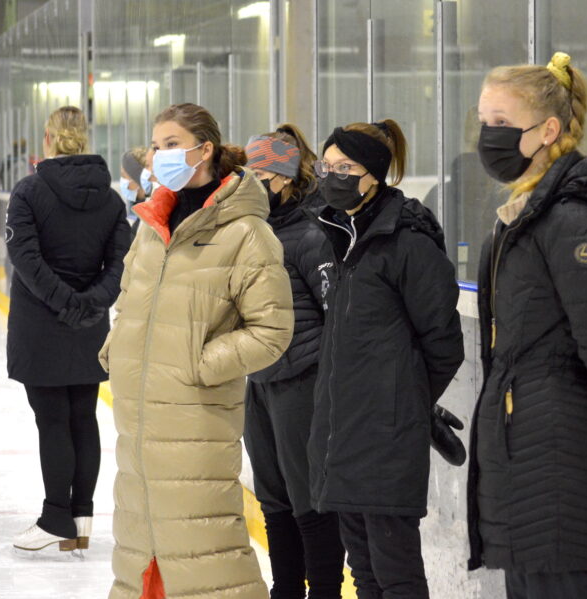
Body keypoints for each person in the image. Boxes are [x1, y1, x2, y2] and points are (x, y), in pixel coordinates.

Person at [466, 52, 587, 599]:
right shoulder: (530, 212)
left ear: (548, 129)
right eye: (484, 121)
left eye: (501, 122)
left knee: (558, 575)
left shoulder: (568, 219)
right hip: (530, 432)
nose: (488, 135)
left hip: (557, 437)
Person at [99, 102, 293, 599]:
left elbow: (271, 330)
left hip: (197, 418)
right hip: (140, 417)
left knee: (203, 546)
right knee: (143, 544)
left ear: (203, 149)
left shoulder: (246, 233)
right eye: (155, 146)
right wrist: (118, 347)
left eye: (170, 145)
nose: (158, 155)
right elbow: (130, 298)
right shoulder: (151, 223)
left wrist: (198, 363)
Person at [306, 118, 465, 599]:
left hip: (385, 435)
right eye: (326, 165)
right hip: (343, 431)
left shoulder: (407, 243)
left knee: (395, 574)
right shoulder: (345, 237)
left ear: (374, 173)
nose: (332, 175)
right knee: (366, 574)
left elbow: (444, 343)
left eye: (345, 166)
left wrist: (405, 403)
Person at [6, 106, 131, 552]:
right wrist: (90, 303)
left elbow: (26, 259)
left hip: (42, 325)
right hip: (88, 325)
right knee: (83, 418)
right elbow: (120, 263)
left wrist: (65, 303)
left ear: (48, 138)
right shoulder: (112, 199)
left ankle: (56, 516)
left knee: (53, 420)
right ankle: (81, 518)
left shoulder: (28, 191)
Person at [242, 124, 345, 598]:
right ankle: (285, 588)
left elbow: (336, 316)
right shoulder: (251, 232)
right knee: (272, 495)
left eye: (259, 171)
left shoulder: (309, 234)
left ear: (282, 178)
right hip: (259, 380)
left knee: (308, 498)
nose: (250, 179)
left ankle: (323, 588)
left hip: (301, 380)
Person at [118, 147, 150, 235]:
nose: (122, 181)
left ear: (137, 179)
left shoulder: (148, 218)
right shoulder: (140, 213)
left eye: (124, 176)